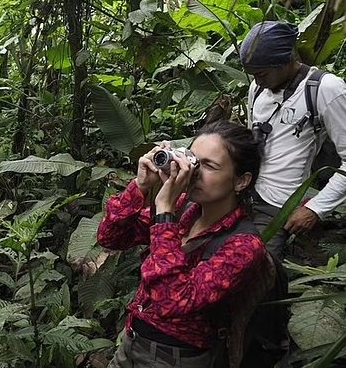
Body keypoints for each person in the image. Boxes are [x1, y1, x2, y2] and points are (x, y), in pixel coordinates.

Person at [98, 121, 271, 368]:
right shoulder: (184, 209)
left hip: (175, 358)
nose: (194, 172)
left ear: (241, 181)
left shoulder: (244, 245)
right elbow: (111, 237)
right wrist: (140, 186)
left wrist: (164, 215)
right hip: (131, 342)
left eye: (209, 166)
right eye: (193, 161)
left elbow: (172, 300)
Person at [240, 21, 346, 259]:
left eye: (262, 74)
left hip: (279, 207)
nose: (257, 81)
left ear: (286, 60)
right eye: (253, 75)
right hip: (244, 194)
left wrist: (315, 209)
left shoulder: (325, 89)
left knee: (255, 273)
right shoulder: (257, 90)